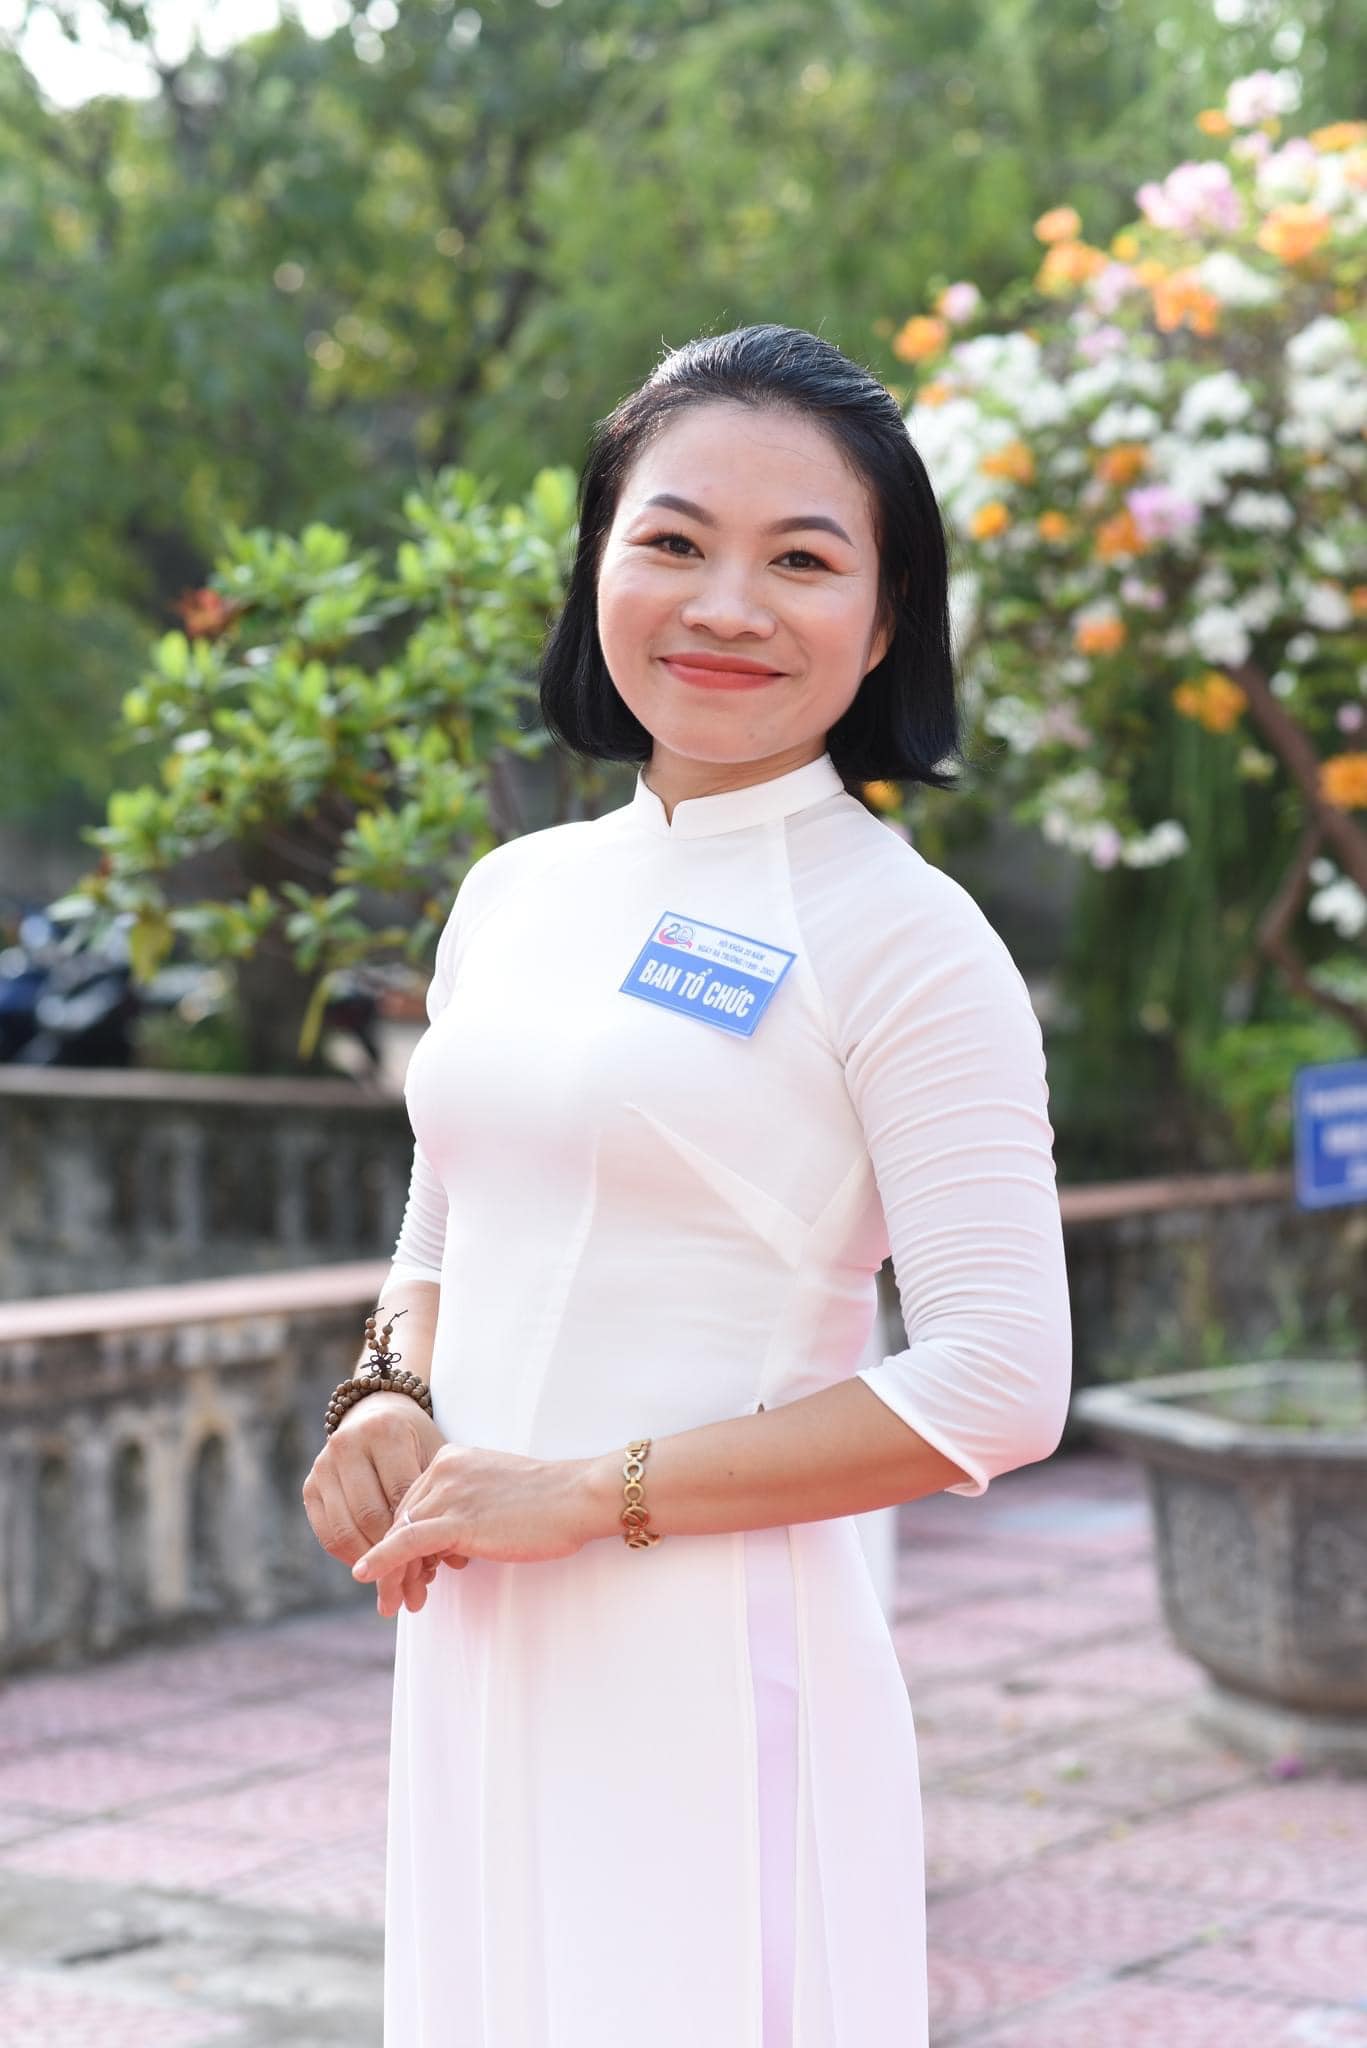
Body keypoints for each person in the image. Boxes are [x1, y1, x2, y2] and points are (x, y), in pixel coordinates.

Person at [302, 322, 1073, 2047]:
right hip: (472, 1613)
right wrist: (385, 1392)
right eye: (673, 540)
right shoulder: (515, 893)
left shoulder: (906, 939)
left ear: (887, 618)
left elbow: (1001, 1379)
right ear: (600, 567)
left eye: (801, 560)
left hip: (713, 1648)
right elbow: (447, 1217)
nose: (727, 605)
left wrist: (587, 1494)